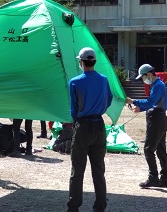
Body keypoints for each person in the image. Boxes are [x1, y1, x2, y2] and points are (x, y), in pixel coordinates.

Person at [67, 47, 113, 212]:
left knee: (78, 168)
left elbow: (73, 109)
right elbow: (109, 99)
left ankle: (73, 207)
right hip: (99, 125)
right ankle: (100, 206)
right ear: (94, 61)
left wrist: (76, 122)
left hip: (83, 125)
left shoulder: (75, 82)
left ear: (81, 62)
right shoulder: (104, 79)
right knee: (98, 169)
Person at [125, 64, 167, 188]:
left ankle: (153, 178)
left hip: (156, 119)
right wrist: (138, 106)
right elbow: (152, 102)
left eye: (143, 77)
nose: (142, 80)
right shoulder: (158, 84)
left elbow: (151, 102)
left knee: (148, 149)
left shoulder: (157, 86)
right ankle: (165, 179)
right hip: (160, 118)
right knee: (161, 149)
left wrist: (134, 102)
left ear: (149, 74)